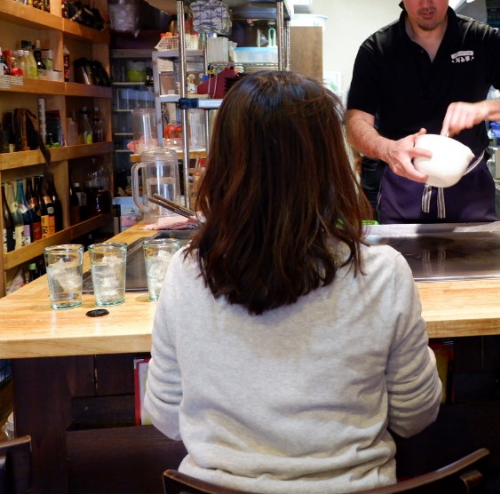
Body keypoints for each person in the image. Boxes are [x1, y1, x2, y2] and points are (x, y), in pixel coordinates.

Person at [143, 72, 442, 493]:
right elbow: (415, 416)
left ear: (225, 161)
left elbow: (167, 417)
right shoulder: (383, 274)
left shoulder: (185, 272)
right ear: (331, 163)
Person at [346, 0, 500, 224]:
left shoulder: (481, 39)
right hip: (403, 188)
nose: (426, 2)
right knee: (402, 267)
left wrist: (485, 109)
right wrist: (388, 150)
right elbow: (355, 125)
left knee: (478, 267)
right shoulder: (377, 50)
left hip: (469, 193)